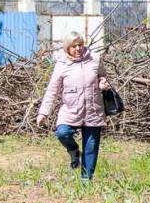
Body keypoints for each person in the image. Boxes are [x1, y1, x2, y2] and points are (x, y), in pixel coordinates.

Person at [37, 31, 111, 182]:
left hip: (93, 109)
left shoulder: (95, 59)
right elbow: (52, 89)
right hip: (71, 109)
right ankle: (74, 150)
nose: (78, 49)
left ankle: (86, 179)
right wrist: (43, 112)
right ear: (67, 48)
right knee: (62, 133)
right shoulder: (62, 64)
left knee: (91, 147)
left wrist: (102, 83)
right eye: (73, 46)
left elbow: (103, 76)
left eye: (80, 45)